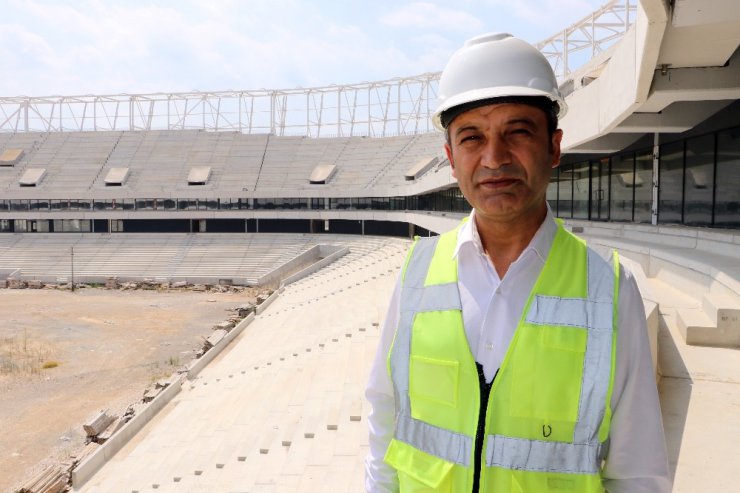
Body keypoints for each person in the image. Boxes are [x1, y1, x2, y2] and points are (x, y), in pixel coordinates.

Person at [364, 33, 671, 492]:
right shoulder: (416, 273)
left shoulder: (607, 287)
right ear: (450, 157)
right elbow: (383, 431)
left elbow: (638, 471)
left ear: (553, 146)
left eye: (518, 132)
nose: (494, 158)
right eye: (472, 137)